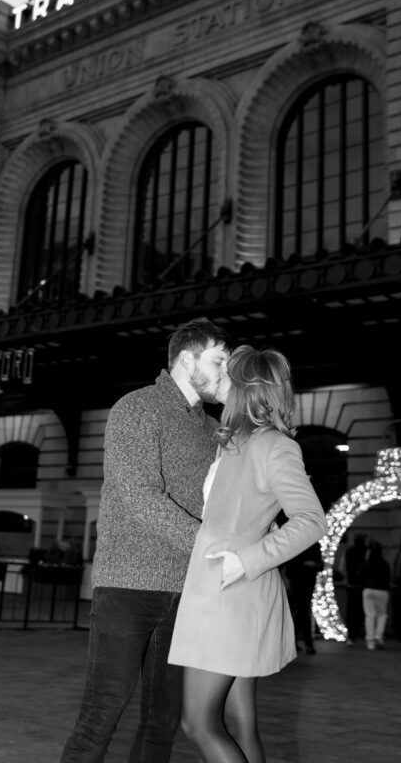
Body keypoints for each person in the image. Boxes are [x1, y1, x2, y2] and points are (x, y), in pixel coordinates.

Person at [60, 316, 230, 763]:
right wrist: (210, 547)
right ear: (187, 358)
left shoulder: (213, 430)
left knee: (163, 723)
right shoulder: (136, 408)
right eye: (219, 360)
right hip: (128, 585)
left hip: (186, 590)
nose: (225, 372)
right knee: (102, 714)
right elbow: (139, 495)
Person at [168, 345, 327, 763]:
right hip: (223, 594)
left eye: (225, 371)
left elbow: (311, 520)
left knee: (198, 724)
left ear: (244, 388)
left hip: (229, 596)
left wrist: (247, 557)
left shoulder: (273, 445)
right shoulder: (235, 441)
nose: (217, 376)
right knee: (241, 725)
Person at [283, 541, 324, 654]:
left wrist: (314, 565)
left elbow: (321, 565)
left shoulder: (313, 545)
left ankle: (294, 641)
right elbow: (290, 566)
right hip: (297, 581)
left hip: (307, 581)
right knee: (303, 610)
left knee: (302, 610)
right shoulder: (297, 543)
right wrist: (305, 564)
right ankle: (303, 642)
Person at [358, 541, 391, 650]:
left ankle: (370, 639)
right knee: (382, 614)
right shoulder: (385, 564)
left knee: (370, 615)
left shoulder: (366, 564)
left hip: (368, 590)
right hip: (382, 590)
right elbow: (388, 578)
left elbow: (360, 577)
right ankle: (378, 635)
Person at [344, 531, 368, 644]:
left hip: (351, 584)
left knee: (351, 610)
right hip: (363, 585)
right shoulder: (366, 552)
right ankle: (360, 631)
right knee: (362, 610)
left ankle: (351, 634)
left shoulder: (349, 552)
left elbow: (344, 567)